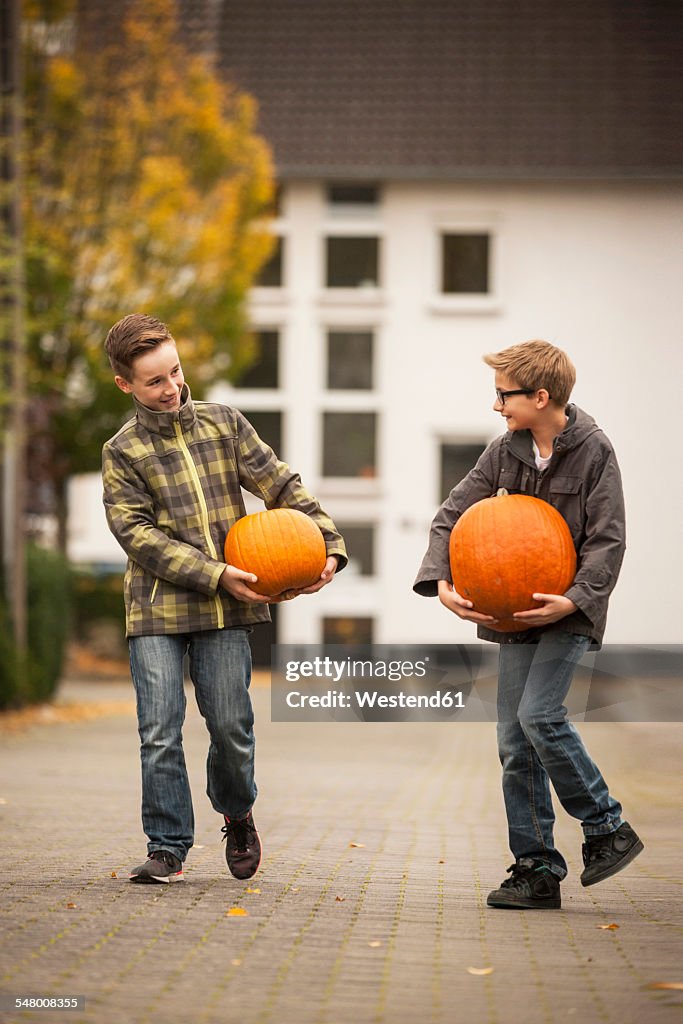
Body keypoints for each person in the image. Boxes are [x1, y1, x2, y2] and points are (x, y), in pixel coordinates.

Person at [102, 313, 347, 884]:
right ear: (126, 385)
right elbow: (136, 534)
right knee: (159, 731)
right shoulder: (122, 451)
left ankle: (237, 813)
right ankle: (167, 846)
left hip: (226, 611)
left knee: (232, 725)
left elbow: (283, 487)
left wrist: (329, 547)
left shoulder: (224, 425)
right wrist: (215, 572)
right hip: (158, 609)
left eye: (175, 372)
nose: (171, 389)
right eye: (154, 381)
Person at [414, 339, 643, 910]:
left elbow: (607, 539)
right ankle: (536, 869)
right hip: (511, 614)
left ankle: (606, 826)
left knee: (540, 715)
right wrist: (440, 582)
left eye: (504, 396)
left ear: (541, 396)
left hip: (565, 610)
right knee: (514, 741)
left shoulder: (594, 451)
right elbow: (453, 514)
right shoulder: (505, 451)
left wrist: (572, 601)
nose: (497, 406)